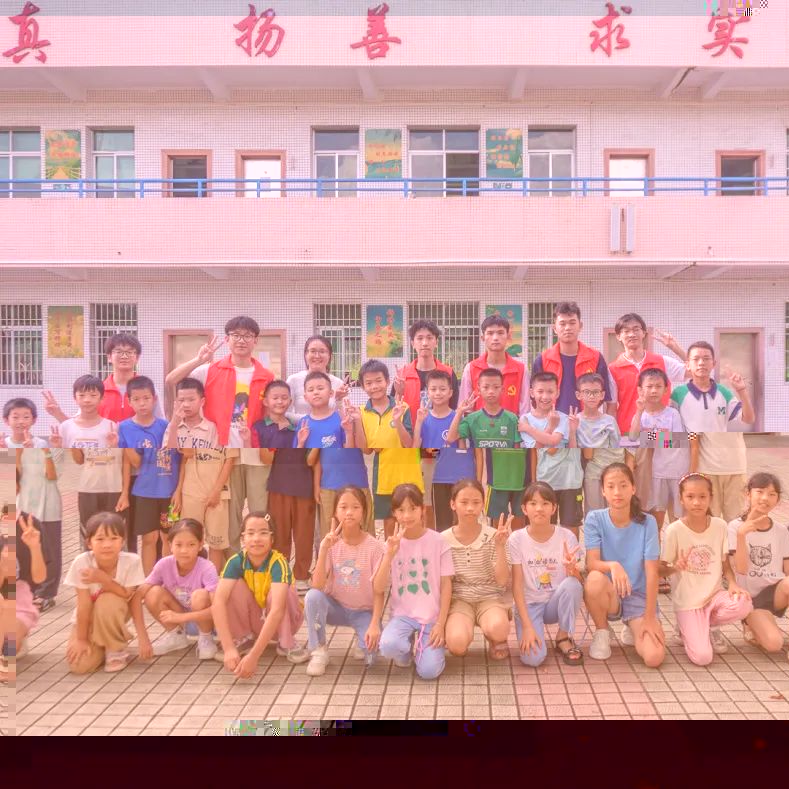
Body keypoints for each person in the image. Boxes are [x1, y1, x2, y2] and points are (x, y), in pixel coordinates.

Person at [165, 318, 274, 552]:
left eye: (247, 335)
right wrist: (199, 359)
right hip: (222, 455)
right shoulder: (209, 370)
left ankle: (258, 557)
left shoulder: (266, 376)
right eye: (236, 335)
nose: (241, 340)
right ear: (227, 339)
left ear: (256, 340)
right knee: (230, 517)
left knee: (258, 510)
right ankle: (232, 561)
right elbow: (171, 380)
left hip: (254, 453)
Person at [660, 473, 752, 666]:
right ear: (681, 499)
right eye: (690, 496)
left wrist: (732, 583)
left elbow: (725, 564)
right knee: (703, 658)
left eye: (702, 496)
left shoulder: (720, 526)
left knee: (744, 603)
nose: (697, 502)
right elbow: (661, 570)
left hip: (713, 596)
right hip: (688, 603)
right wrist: (675, 568)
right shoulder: (674, 530)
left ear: (711, 498)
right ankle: (685, 628)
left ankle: (706, 626)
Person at [584, 463, 665, 667]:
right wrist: (613, 566)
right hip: (610, 593)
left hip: (638, 595)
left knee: (654, 657)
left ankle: (633, 625)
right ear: (603, 491)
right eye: (610, 486)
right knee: (594, 578)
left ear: (633, 488)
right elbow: (591, 563)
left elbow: (652, 572)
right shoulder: (595, 519)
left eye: (623, 485)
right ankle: (602, 631)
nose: (617, 492)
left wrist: (649, 617)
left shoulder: (648, 522)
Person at [212, 512, 307, 677]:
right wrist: (228, 648)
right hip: (258, 620)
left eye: (263, 533)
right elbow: (218, 603)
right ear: (243, 538)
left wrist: (254, 657)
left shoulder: (278, 562)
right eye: (250, 533)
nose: (256, 539)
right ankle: (244, 638)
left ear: (272, 539)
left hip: (284, 621)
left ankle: (286, 642)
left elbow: (277, 610)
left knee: (282, 593)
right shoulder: (235, 561)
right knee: (230, 588)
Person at [303, 487, 385, 676]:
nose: (349, 512)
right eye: (343, 507)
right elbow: (317, 585)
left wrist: (375, 623)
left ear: (364, 512)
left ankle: (361, 636)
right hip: (336, 607)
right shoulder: (331, 544)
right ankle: (319, 649)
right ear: (335, 512)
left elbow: (379, 591)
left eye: (355, 507)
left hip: (364, 611)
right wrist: (323, 550)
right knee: (312, 597)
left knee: (372, 654)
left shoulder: (375, 547)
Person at [375, 485, 454, 680]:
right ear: (394, 513)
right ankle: (408, 645)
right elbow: (378, 587)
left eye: (413, 508)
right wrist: (389, 555)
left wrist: (441, 624)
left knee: (428, 672)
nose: (407, 515)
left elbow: (446, 585)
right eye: (401, 510)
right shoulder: (391, 544)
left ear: (422, 510)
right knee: (388, 646)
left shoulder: (439, 541)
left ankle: (425, 649)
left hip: (432, 618)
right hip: (402, 616)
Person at [674, 341, 755, 522]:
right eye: (696, 359)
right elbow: (673, 436)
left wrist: (742, 391)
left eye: (706, 359)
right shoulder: (678, 394)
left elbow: (749, 419)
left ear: (714, 364)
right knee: (710, 523)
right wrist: (645, 438)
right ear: (687, 364)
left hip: (734, 466)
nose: (701, 363)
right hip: (705, 470)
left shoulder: (724, 392)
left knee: (735, 523)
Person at [508, 482, 584, 666]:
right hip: (530, 605)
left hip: (554, 603)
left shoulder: (567, 536)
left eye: (545, 503)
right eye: (533, 503)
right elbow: (516, 585)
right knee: (533, 659)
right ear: (524, 509)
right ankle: (532, 628)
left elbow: (579, 583)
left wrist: (572, 570)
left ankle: (563, 636)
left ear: (554, 508)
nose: (539, 508)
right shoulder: (516, 539)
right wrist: (527, 627)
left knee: (572, 585)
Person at [63, 512, 147, 674]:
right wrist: (81, 639)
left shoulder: (132, 561)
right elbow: (83, 605)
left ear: (123, 541)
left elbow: (128, 595)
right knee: (79, 666)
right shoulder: (82, 562)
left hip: (114, 611)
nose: (107, 545)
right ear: (89, 543)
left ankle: (115, 648)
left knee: (107, 599)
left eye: (114, 538)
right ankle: (103, 643)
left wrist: (104, 579)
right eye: (100, 539)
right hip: (89, 618)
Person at [48, 376, 125, 551]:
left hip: (110, 488)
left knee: (112, 529)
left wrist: (114, 446)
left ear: (102, 398)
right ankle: (87, 561)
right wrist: (58, 447)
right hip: (85, 488)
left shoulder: (111, 426)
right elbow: (70, 462)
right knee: (88, 530)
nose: (87, 400)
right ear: (74, 398)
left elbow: (118, 461)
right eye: (82, 395)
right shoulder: (65, 427)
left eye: (93, 395)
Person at [449, 368, 528, 530]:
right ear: (478, 389)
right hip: (491, 481)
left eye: (496, 387)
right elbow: (451, 438)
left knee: (518, 519)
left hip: (513, 479)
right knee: (497, 522)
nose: (491, 391)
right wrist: (460, 412)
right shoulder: (471, 419)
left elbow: (517, 450)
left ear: (503, 389)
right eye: (486, 387)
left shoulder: (512, 419)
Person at [117, 376, 181, 574]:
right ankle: (148, 580)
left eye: (146, 398)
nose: (142, 403)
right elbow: (132, 462)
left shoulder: (166, 426)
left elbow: (181, 458)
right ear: (129, 401)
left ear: (154, 399)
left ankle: (168, 578)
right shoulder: (124, 428)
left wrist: (178, 491)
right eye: (136, 399)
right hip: (144, 493)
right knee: (148, 538)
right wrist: (125, 493)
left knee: (168, 537)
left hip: (169, 494)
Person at [442, 479, 511, 661]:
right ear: (453, 504)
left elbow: (502, 581)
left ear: (483, 504)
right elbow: (442, 583)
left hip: (489, 598)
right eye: (464, 502)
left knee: (499, 628)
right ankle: (460, 634)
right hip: (459, 600)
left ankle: (495, 638)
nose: (470, 508)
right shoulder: (443, 540)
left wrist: (500, 547)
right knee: (457, 645)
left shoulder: (494, 535)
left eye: (476, 502)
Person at [133, 518, 218, 661]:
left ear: (200, 545)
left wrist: (181, 618)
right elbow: (137, 596)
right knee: (152, 593)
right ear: (170, 545)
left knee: (199, 596)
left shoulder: (207, 567)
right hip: (180, 619)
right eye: (178, 544)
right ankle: (176, 636)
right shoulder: (164, 565)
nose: (184, 550)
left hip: (207, 622)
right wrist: (142, 637)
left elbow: (218, 608)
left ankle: (206, 638)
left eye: (191, 544)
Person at [7, 398, 63, 611]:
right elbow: (14, 479)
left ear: (34, 420)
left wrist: (43, 450)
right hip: (21, 506)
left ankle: (47, 593)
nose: (21, 421)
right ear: (6, 420)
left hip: (48, 504)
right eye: (15, 417)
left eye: (26, 416)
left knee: (51, 551)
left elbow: (53, 475)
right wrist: (19, 451)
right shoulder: (4, 444)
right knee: (21, 551)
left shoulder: (44, 443)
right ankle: (24, 590)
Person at [359, 360, 423, 538]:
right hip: (384, 477)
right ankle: (391, 556)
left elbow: (408, 444)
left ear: (387, 381)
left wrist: (397, 421)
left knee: (412, 522)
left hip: (409, 474)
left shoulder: (403, 407)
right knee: (389, 524)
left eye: (378, 381)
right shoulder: (362, 412)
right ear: (363, 387)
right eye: (369, 383)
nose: (374, 386)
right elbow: (368, 449)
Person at [728, 473, 789, 658]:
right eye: (760, 492)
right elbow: (741, 569)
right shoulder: (734, 527)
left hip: (777, 592)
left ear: (777, 499)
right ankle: (751, 623)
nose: (765, 498)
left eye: (772, 494)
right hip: (751, 599)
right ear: (748, 494)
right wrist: (742, 535)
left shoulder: (781, 530)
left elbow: (787, 571)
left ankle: (762, 625)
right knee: (774, 644)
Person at [42, 332, 164, 425]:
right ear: (109, 357)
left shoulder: (148, 389)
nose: (124, 356)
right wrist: (57, 413)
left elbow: (160, 424)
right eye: (119, 352)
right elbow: (79, 426)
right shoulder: (98, 390)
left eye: (130, 352)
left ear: (137, 357)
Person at [519, 371, 583, 538]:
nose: (545, 396)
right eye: (540, 391)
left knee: (571, 524)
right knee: (546, 524)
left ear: (557, 393)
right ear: (531, 392)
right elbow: (539, 447)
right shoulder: (525, 420)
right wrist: (549, 428)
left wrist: (532, 430)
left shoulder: (563, 418)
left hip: (570, 479)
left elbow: (554, 443)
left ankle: (572, 553)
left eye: (550, 391)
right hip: (547, 479)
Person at [412, 370, 475, 531]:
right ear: (427, 393)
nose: (438, 393)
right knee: (439, 518)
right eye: (433, 389)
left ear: (450, 392)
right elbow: (417, 449)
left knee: (457, 516)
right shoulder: (423, 418)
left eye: (442, 389)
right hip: (435, 477)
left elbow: (460, 446)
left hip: (456, 476)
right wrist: (418, 423)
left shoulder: (458, 417)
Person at [629, 368, 690, 532]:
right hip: (656, 473)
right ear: (640, 390)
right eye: (649, 386)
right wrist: (639, 411)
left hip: (677, 471)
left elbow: (677, 440)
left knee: (679, 519)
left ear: (665, 389)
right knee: (656, 519)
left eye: (658, 386)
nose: (654, 390)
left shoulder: (672, 414)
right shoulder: (641, 415)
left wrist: (648, 437)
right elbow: (633, 437)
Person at [608, 313, 687, 436]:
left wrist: (675, 348)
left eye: (636, 329)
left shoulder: (662, 361)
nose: (632, 334)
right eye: (626, 331)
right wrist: (612, 438)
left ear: (644, 333)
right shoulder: (613, 369)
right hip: (628, 434)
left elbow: (695, 371)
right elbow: (611, 409)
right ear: (618, 336)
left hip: (661, 433)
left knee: (680, 442)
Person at [531, 302, 613, 415]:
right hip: (552, 421)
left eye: (572, 323)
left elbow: (604, 394)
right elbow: (535, 397)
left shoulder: (596, 357)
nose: (567, 328)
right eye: (562, 323)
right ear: (554, 328)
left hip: (586, 422)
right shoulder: (542, 360)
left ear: (580, 326)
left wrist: (586, 415)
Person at [459, 314, 529, 416]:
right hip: (479, 426)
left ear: (508, 336)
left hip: (511, 426)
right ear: (483, 337)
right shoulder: (471, 368)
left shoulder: (521, 370)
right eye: (490, 333)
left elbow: (525, 410)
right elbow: (465, 409)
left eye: (500, 333)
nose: (495, 338)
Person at [574, 373, 624, 514]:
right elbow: (584, 453)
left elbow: (618, 447)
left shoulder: (609, 421)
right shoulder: (575, 421)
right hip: (592, 474)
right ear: (578, 395)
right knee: (594, 513)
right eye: (587, 392)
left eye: (595, 392)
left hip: (613, 473)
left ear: (602, 395)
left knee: (614, 512)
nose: (591, 396)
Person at [9, 515, 47, 662]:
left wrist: (34, 547)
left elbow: (39, 578)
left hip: (17, 605)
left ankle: (17, 638)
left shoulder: (28, 523)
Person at [286, 335, 349, 421]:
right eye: (313, 351)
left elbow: (345, 417)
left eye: (322, 351)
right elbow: (285, 413)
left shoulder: (339, 384)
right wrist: (311, 420)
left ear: (330, 356)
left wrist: (339, 400)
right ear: (306, 354)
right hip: (300, 428)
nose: (317, 356)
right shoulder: (293, 380)